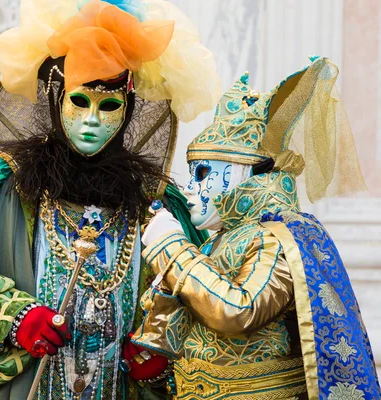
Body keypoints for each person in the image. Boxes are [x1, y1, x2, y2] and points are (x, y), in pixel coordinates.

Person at [0, 1, 220, 399]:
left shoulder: (156, 204)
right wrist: (18, 318)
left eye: (109, 106)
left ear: (127, 112)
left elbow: (196, 300)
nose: (92, 120)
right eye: (80, 101)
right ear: (57, 99)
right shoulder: (3, 191)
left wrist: (160, 344)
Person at [133, 56, 381, 399]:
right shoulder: (218, 240)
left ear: (243, 174)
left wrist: (172, 249)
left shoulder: (278, 237)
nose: (190, 187)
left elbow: (238, 311)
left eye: (203, 173)